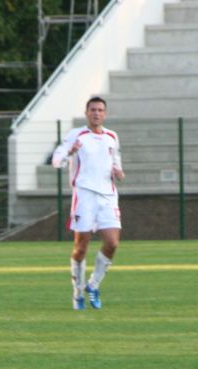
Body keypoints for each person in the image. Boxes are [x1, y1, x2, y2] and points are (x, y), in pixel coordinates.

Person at [51, 96, 125, 310]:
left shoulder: (112, 136)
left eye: (100, 110)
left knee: (112, 243)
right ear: (86, 113)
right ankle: (77, 293)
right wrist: (69, 153)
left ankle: (92, 285)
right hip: (84, 195)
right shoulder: (76, 135)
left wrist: (118, 171)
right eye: (93, 109)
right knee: (81, 248)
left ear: (105, 114)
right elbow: (57, 160)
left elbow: (115, 161)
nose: (96, 113)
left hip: (108, 196)